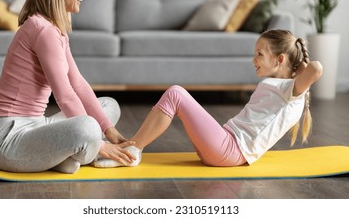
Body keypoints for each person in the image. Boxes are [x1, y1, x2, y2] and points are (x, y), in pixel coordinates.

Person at [0, 0, 135, 174]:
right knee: (88, 126)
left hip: (36, 126)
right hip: (8, 139)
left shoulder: (55, 30)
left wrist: (110, 132)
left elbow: (79, 84)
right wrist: (102, 144)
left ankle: (63, 155)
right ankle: (78, 151)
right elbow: (64, 95)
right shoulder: (42, 29)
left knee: (108, 106)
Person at [94, 29, 323, 168]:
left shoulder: (291, 90)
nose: (254, 59)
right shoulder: (284, 87)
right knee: (176, 95)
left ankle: (131, 152)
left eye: (260, 54)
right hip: (225, 144)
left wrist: (301, 68)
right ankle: (130, 149)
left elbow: (316, 68)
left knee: (175, 93)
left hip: (230, 151)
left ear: (280, 59)